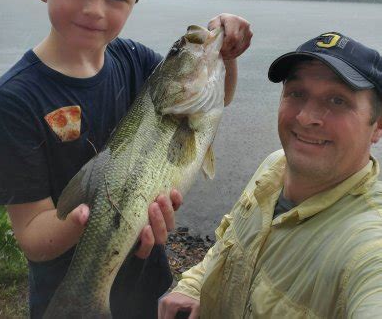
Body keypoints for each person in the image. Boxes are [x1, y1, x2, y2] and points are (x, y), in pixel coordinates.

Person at [0, 0, 252, 319]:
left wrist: (225, 55)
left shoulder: (135, 61)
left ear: (135, 1)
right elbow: (30, 234)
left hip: (146, 280)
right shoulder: (15, 99)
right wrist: (97, 217)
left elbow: (214, 103)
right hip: (64, 289)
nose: (95, 8)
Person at [159, 32, 382, 319]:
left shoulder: (367, 247)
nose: (305, 117)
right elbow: (230, 240)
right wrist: (193, 286)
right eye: (296, 93)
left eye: (337, 101)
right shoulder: (275, 166)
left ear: (377, 126)